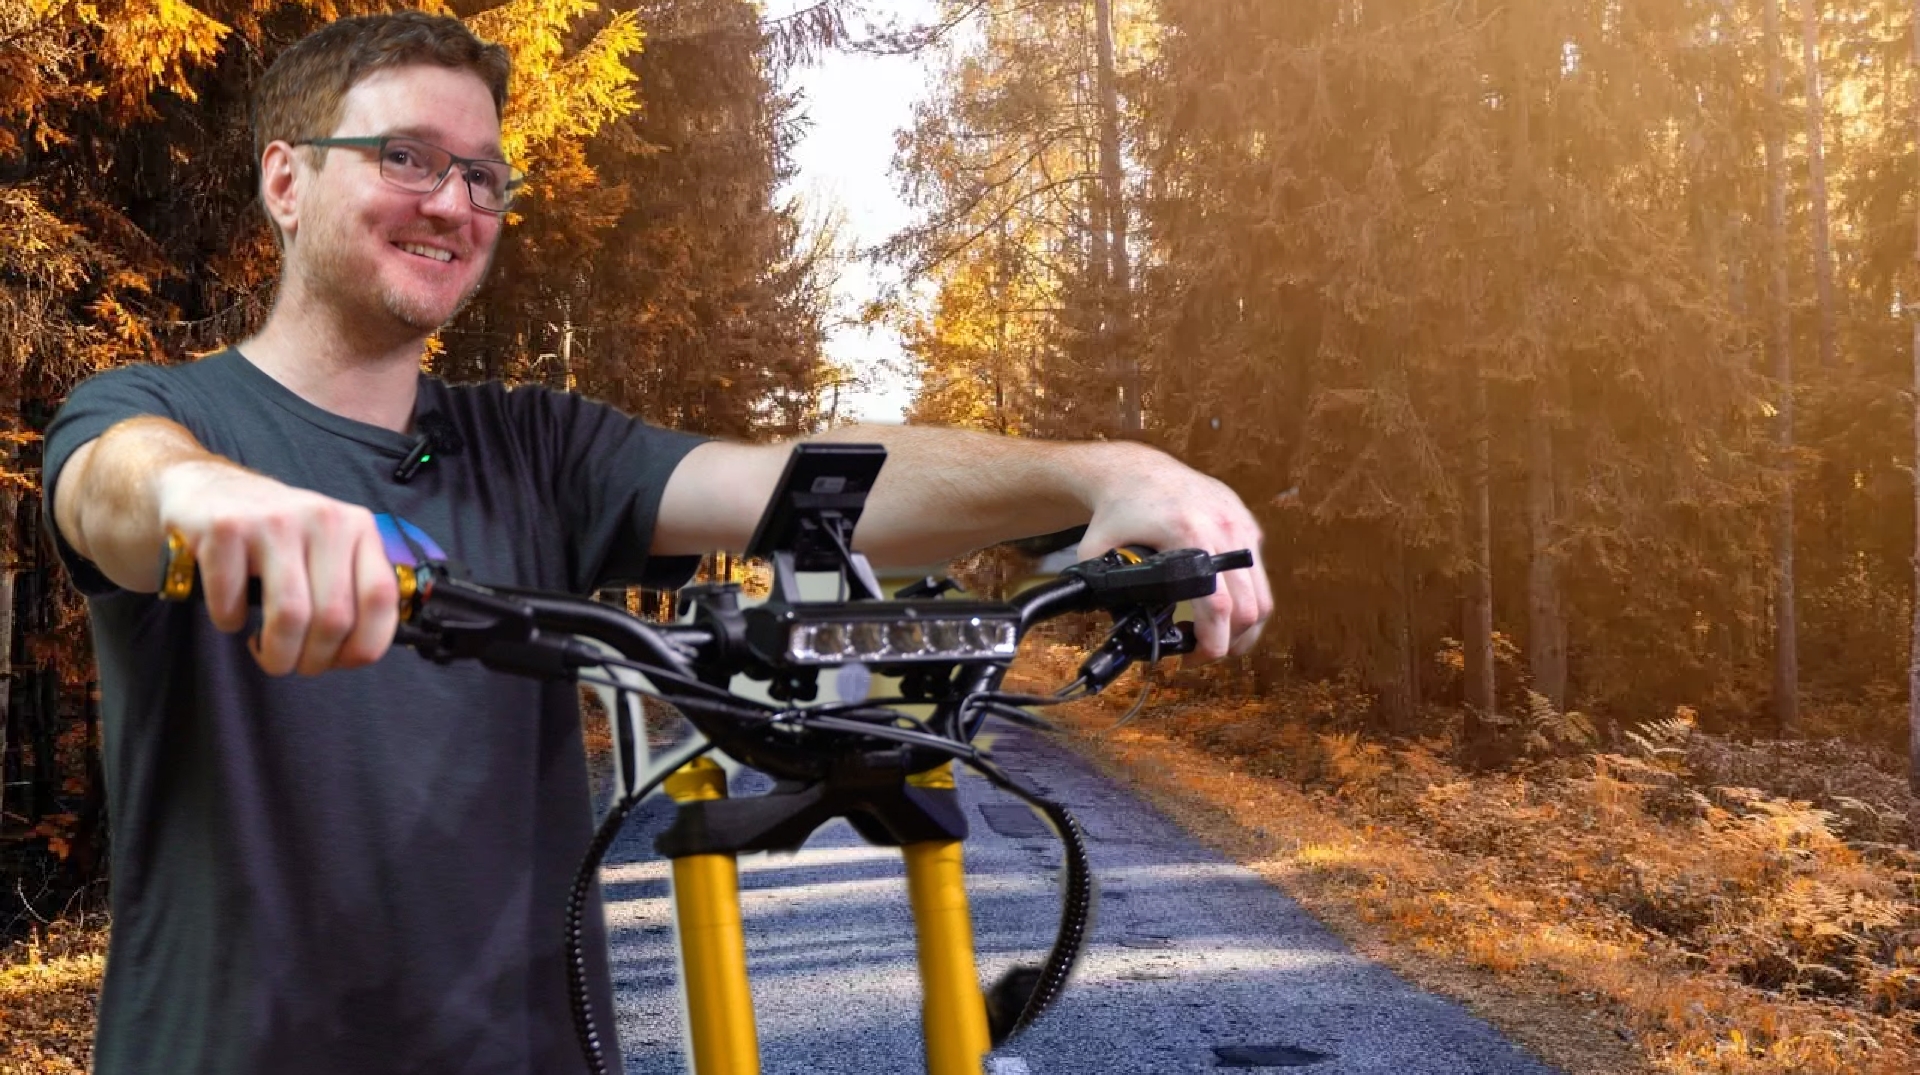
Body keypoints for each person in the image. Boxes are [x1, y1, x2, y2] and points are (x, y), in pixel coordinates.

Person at [40, 11, 1270, 1075]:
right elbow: (113, 491)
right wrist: (221, 506)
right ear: (286, 182)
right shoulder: (168, 416)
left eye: (484, 176)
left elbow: (799, 481)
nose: (455, 202)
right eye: (407, 157)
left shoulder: (538, 449)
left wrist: (1095, 471)